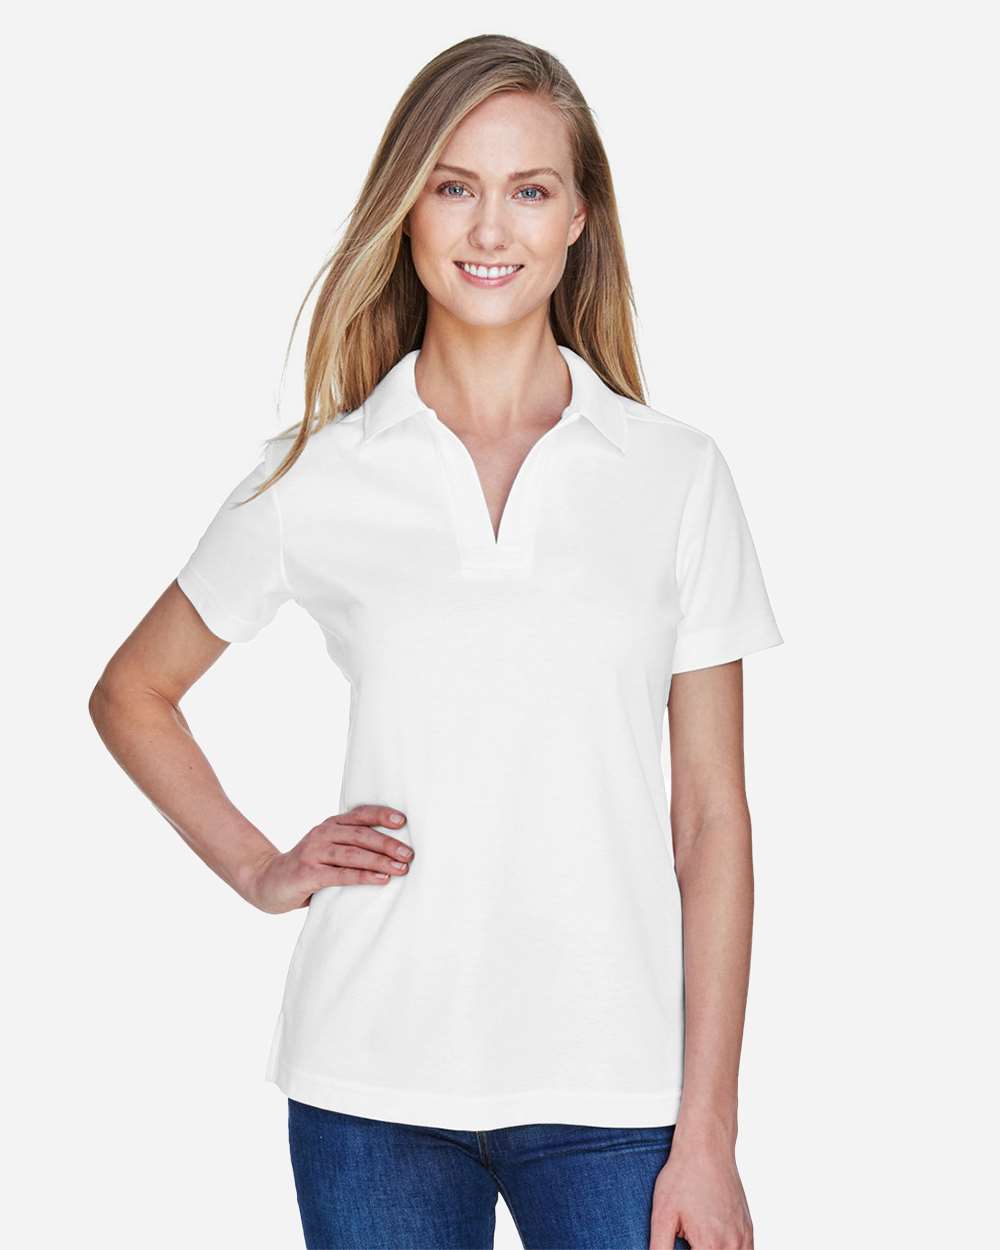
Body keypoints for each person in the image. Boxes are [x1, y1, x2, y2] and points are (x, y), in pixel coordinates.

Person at [89, 32, 782, 1250]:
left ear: (580, 217)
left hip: (618, 1087)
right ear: (407, 208)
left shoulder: (674, 475)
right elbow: (134, 691)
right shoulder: (318, 473)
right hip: (370, 1083)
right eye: (454, 186)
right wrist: (260, 866)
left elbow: (711, 820)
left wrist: (709, 1130)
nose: (489, 227)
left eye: (530, 189)